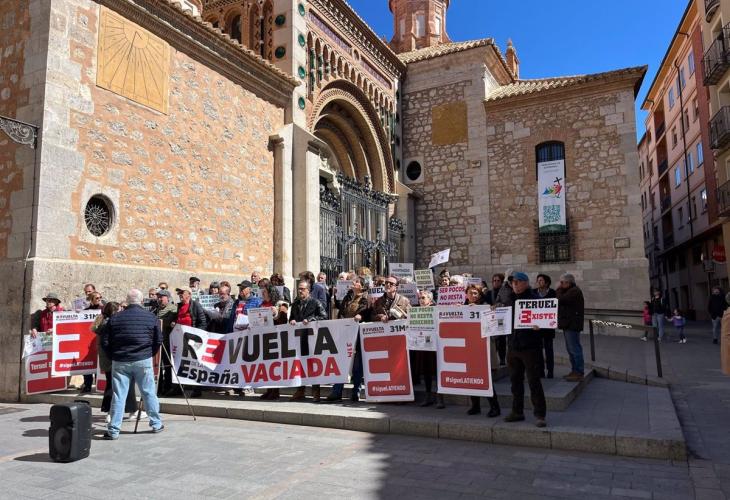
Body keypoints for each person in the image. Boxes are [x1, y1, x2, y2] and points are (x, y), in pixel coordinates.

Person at [101, 289, 164, 440]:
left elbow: (105, 341)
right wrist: (149, 353)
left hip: (121, 360)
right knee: (148, 392)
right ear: (141, 301)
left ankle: (113, 430)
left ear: (127, 301)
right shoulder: (151, 317)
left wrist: (114, 355)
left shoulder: (115, 318)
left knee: (119, 395)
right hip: (143, 359)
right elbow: (158, 340)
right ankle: (156, 424)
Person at [504, 272, 547, 427]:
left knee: (534, 381)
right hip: (513, 346)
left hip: (530, 347)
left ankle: (540, 414)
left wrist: (540, 327)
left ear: (526, 283)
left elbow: (548, 324)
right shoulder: (509, 300)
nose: (514, 285)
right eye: (512, 282)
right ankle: (517, 411)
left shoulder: (535, 300)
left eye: (517, 282)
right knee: (515, 381)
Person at [93, 302, 138, 421]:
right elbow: (109, 342)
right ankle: (129, 411)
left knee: (111, 384)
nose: (122, 311)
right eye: (120, 309)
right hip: (115, 358)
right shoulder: (111, 323)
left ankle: (111, 411)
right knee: (125, 384)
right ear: (114, 311)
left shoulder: (103, 322)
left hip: (107, 359)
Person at [326, 277, 368, 402]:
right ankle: (336, 391)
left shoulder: (365, 298)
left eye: (356, 282)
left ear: (361, 286)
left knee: (357, 365)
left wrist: (360, 315)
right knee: (341, 362)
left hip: (357, 334)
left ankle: (356, 391)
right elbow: (341, 310)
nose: (353, 283)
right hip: (345, 333)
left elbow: (366, 311)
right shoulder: (348, 296)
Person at [464, 284, 501, 418]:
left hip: (484, 349)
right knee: (471, 379)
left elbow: (494, 328)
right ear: (466, 295)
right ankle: (475, 406)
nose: (473, 295)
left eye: (476, 293)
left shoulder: (486, 307)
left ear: (480, 295)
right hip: (469, 349)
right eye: (470, 293)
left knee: (486, 380)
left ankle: (495, 407)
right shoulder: (462, 308)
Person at [289, 279, 328, 401]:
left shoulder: (315, 302)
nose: (300, 291)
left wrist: (311, 320)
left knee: (313, 364)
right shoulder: (295, 304)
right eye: (299, 289)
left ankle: (316, 392)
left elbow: (324, 316)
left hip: (313, 338)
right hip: (299, 338)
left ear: (308, 290)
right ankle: (300, 390)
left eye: (302, 289)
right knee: (299, 364)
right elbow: (291, 318)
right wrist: (292, 321)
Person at [412, 290, 444, 409]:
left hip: (435, 347)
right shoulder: (415, 310)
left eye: (423, 298)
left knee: (437, 371)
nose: (421, 300)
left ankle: (440, 397)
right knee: (426, 372)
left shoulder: (436, 310)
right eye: (420, 298)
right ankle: (428, 395)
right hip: (422, 347)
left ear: (430, 300)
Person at [175, 286, 207, 397]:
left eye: (182, 292)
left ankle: (197, 389)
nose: (180, 295)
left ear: (189, 294)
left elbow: (203, 322)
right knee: (180, 363)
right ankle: (179, 388)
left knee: (195, 364)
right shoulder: (179, 306)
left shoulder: (195, 305)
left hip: (193, 339)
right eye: (179, 293)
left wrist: (196, 335)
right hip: (180, 339)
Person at [556, 273, 585, 382]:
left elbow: (561, 299)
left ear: (568, 282)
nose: (561, 284)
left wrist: (558, 290)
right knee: (570, 349)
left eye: (562, 282)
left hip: (572, 325)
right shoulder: (569, 291)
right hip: (568, 324)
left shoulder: (574, 291)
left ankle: (579, 372)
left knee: (574, 349)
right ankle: (574, 370)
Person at [154, 289, 178, 396]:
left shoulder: (173, 309)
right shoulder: (156, 310)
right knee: (158, 366)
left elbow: (168, 322)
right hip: (158, 342)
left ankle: (168, 387)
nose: (159, 299)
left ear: (167, 298)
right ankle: (158, 387)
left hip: (168, 342)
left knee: (168, 365)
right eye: (158, 297)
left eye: (161, 297)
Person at [81, 291, 104, 393]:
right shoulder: (86, 311)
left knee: (98, 363)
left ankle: (98, 384)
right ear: (91, 300)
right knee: (87, 362)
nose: (99, 299)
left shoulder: (103, 310)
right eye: (97, 298)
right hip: (87, 341)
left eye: (100, 297)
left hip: (98, 340)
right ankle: (87, 385)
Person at [535, 274, 557, 379]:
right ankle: (541, 371)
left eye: (541, 280)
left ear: (547, 282)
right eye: (538, 280)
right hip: (537, 327)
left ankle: (550, 371)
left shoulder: (552, 293)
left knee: (549, 350)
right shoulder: (533, 292)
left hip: (548, 326)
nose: (539, 282)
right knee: (538, 350)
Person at [484, 273, 508, 366]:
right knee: (493, 340)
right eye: (494, 280)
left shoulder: (504, 292)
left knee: (502, 339)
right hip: (491, 319)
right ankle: (493, 360)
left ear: (501, 282)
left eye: (498, 281)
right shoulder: (489, 293)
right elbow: (485, 302)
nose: (496, 282)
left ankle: (502, 359)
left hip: (501, 318)